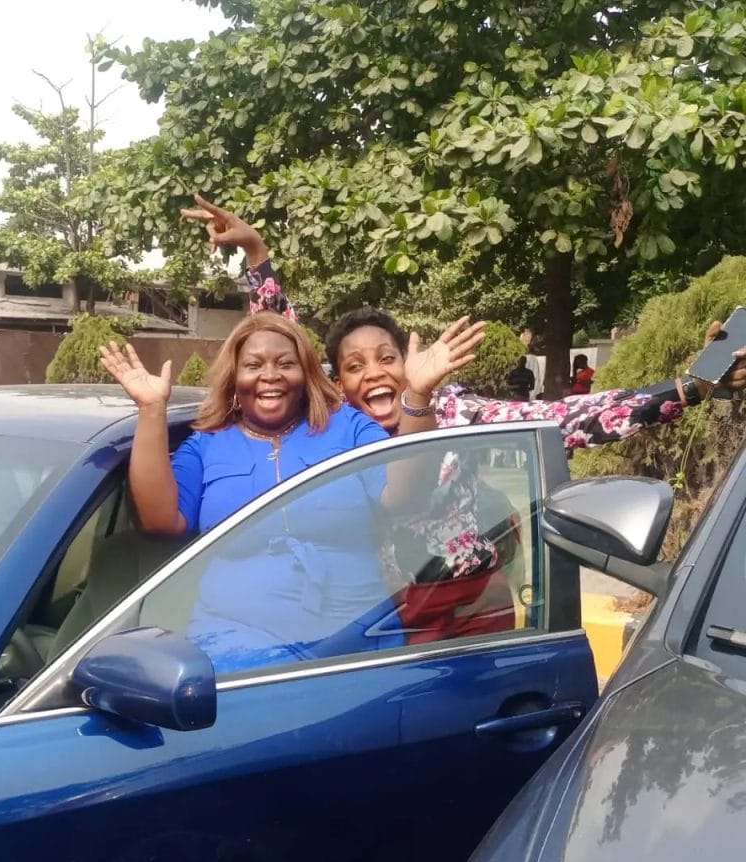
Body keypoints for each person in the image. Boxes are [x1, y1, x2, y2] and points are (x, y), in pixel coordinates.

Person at [180, 195, 746, 641]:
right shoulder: (339, 424)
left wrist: (690, 387)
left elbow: (570, 417)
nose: (372, 374)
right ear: (338, 380)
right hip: (384, 615)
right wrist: (257, 253)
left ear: (410, 361)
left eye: (387, 358)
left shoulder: (454, 409)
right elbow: (279, 341)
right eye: (353, 366)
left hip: (476, 607)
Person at [99, 308, 480, 671]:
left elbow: (403, 495)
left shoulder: (348, 427)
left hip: (357, 643)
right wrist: (151, 410)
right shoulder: (207, 444)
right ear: (235, 378)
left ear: (306, 374)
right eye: (253, 365)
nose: (270, 375)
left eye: (285, 363)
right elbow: (160, 520)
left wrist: (417, 396)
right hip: (237, 649)